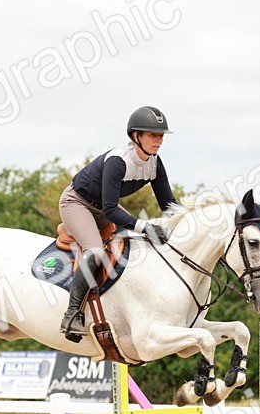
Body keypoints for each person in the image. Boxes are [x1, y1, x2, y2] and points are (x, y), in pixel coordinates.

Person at [57, 106, 178, 342]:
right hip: (78, 203)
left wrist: (185, 224)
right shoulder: (118, 161)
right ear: (136, 136)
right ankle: (72, 315)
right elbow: (111, 210)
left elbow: (169, 206)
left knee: (135, 245)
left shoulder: (155, 163)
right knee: (95, 251)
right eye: (153, 135)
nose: (159, 141)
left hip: (102, 205)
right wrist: (145, 226)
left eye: (161, 135)